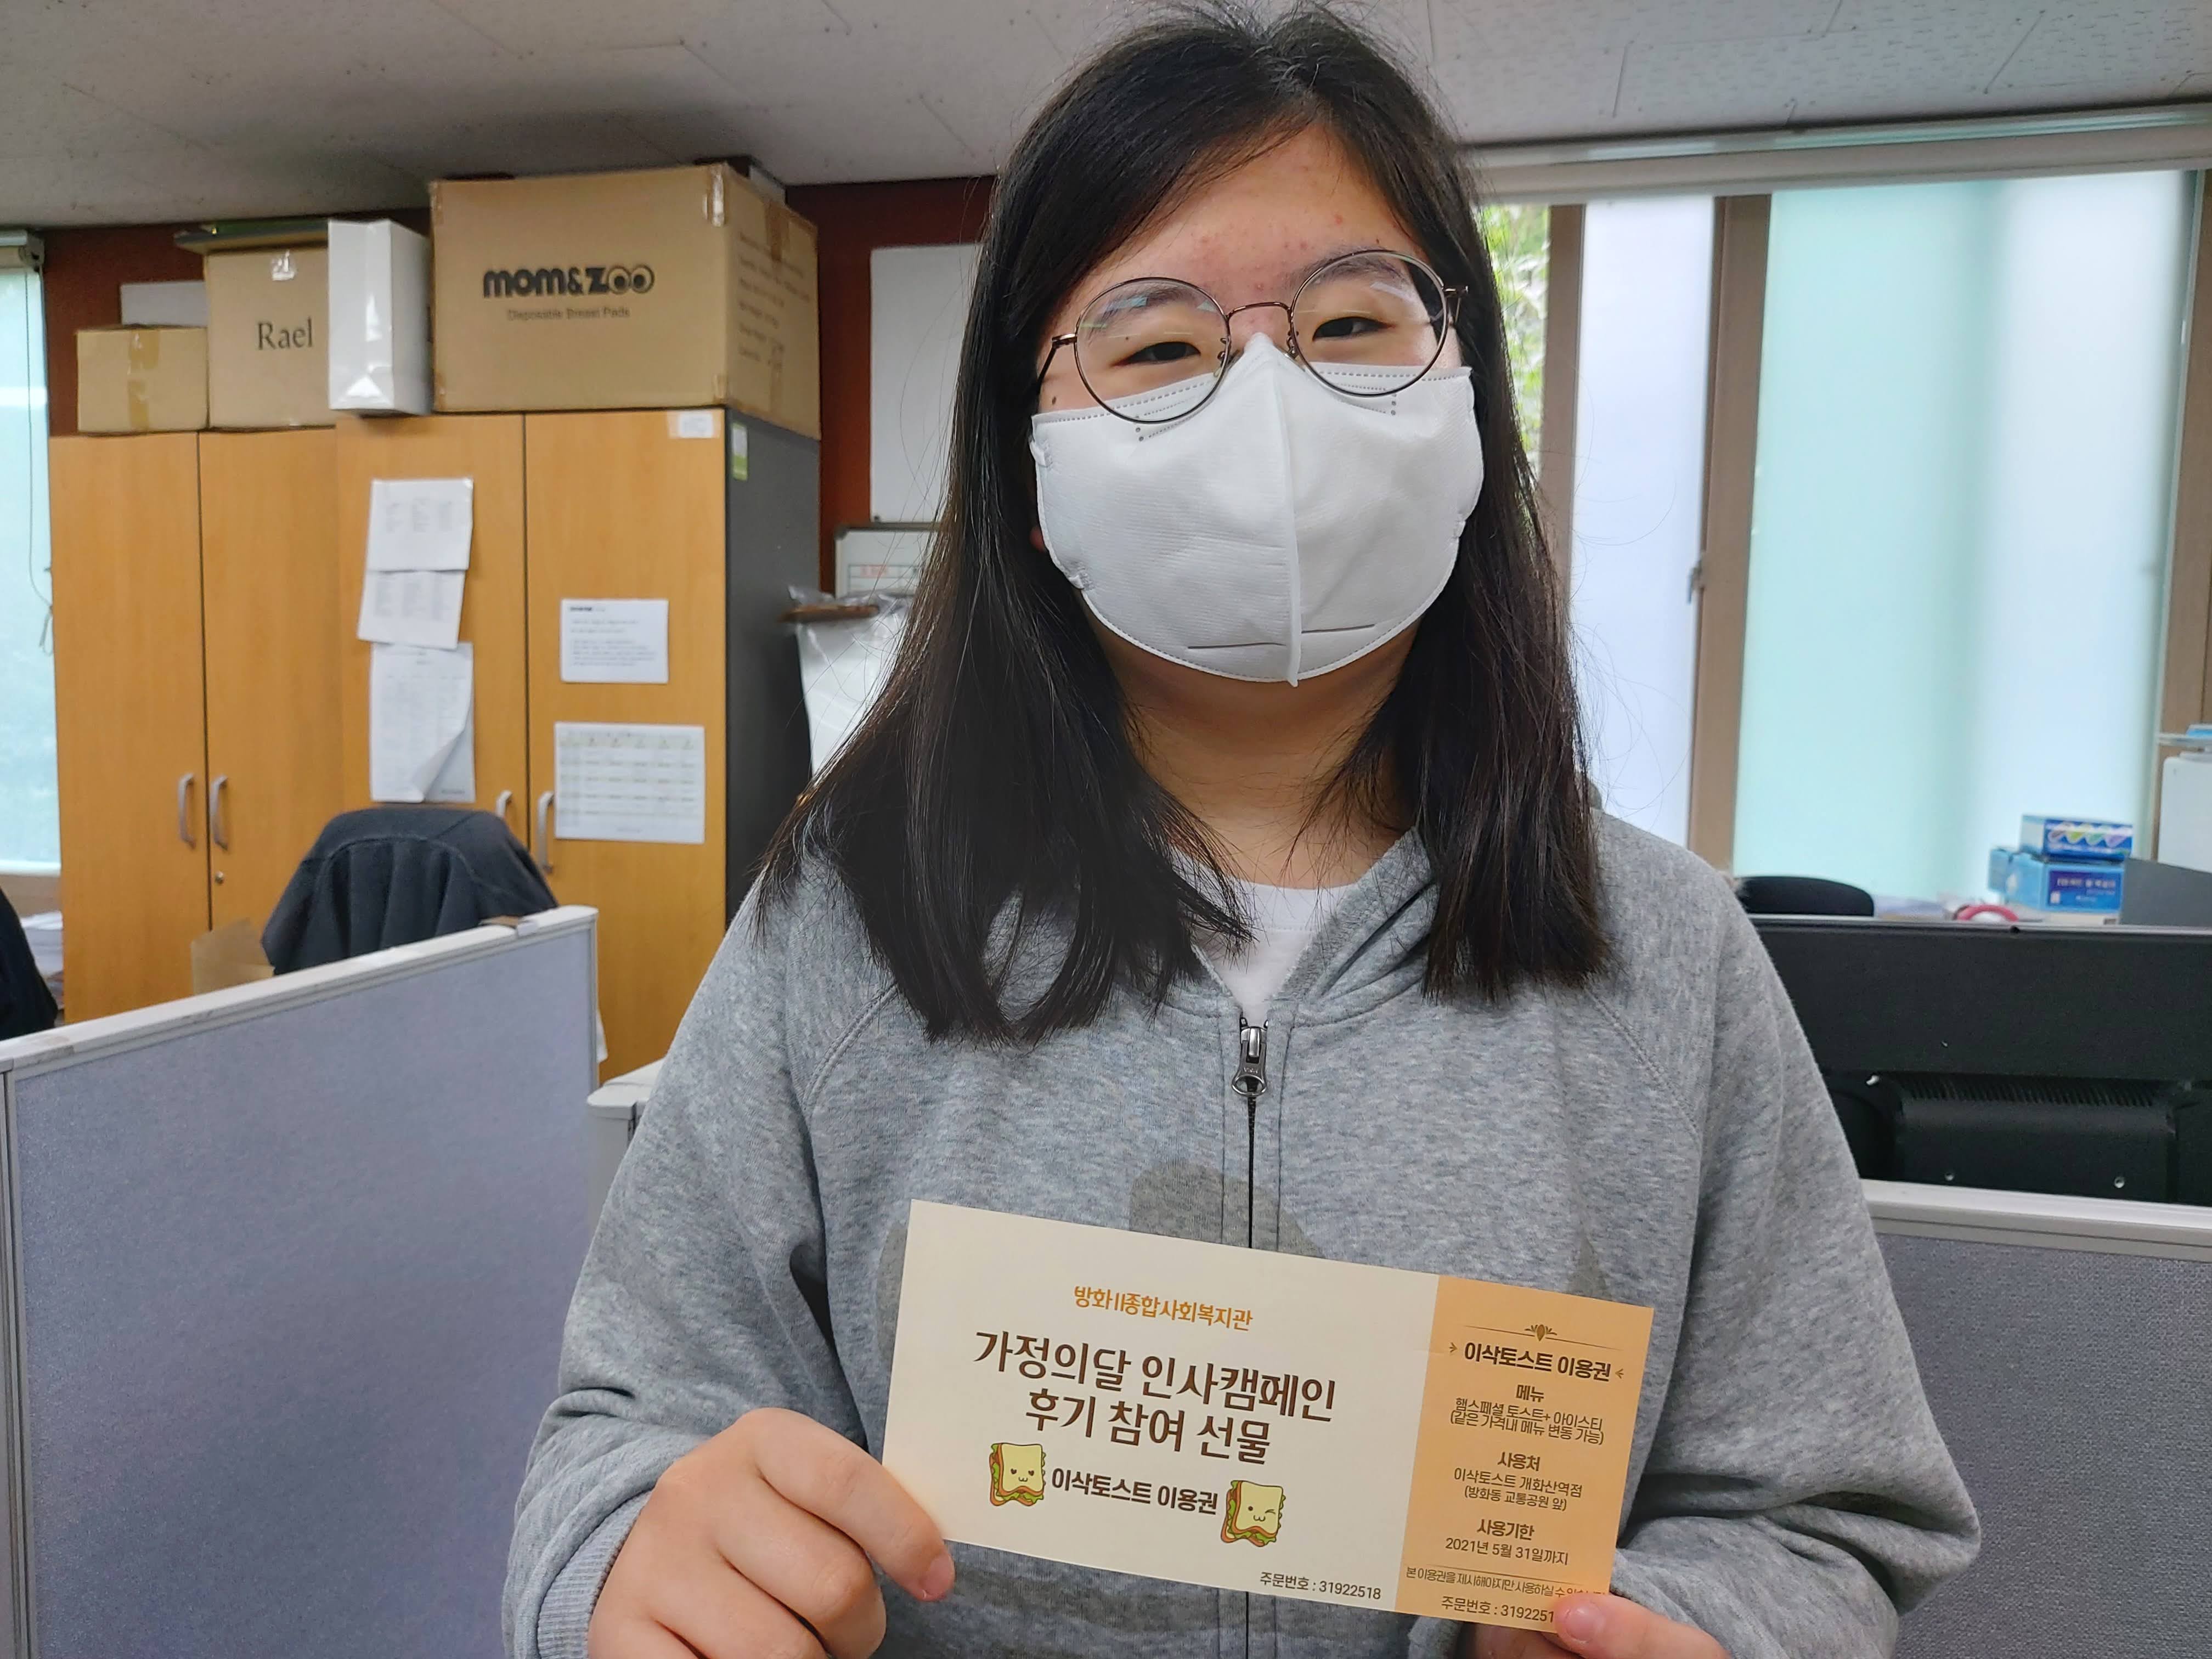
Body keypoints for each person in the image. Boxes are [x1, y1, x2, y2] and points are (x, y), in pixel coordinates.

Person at [504, 7, 1979, 1658]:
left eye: (1352, 324)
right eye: (1158, 347)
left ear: (1468, 406)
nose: (1270, 401)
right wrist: (626, 1568)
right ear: (1027, 460)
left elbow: (1826, 1519)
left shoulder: (1668, 956)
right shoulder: (848, 924)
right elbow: (619, 1443)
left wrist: (1682, 1625)